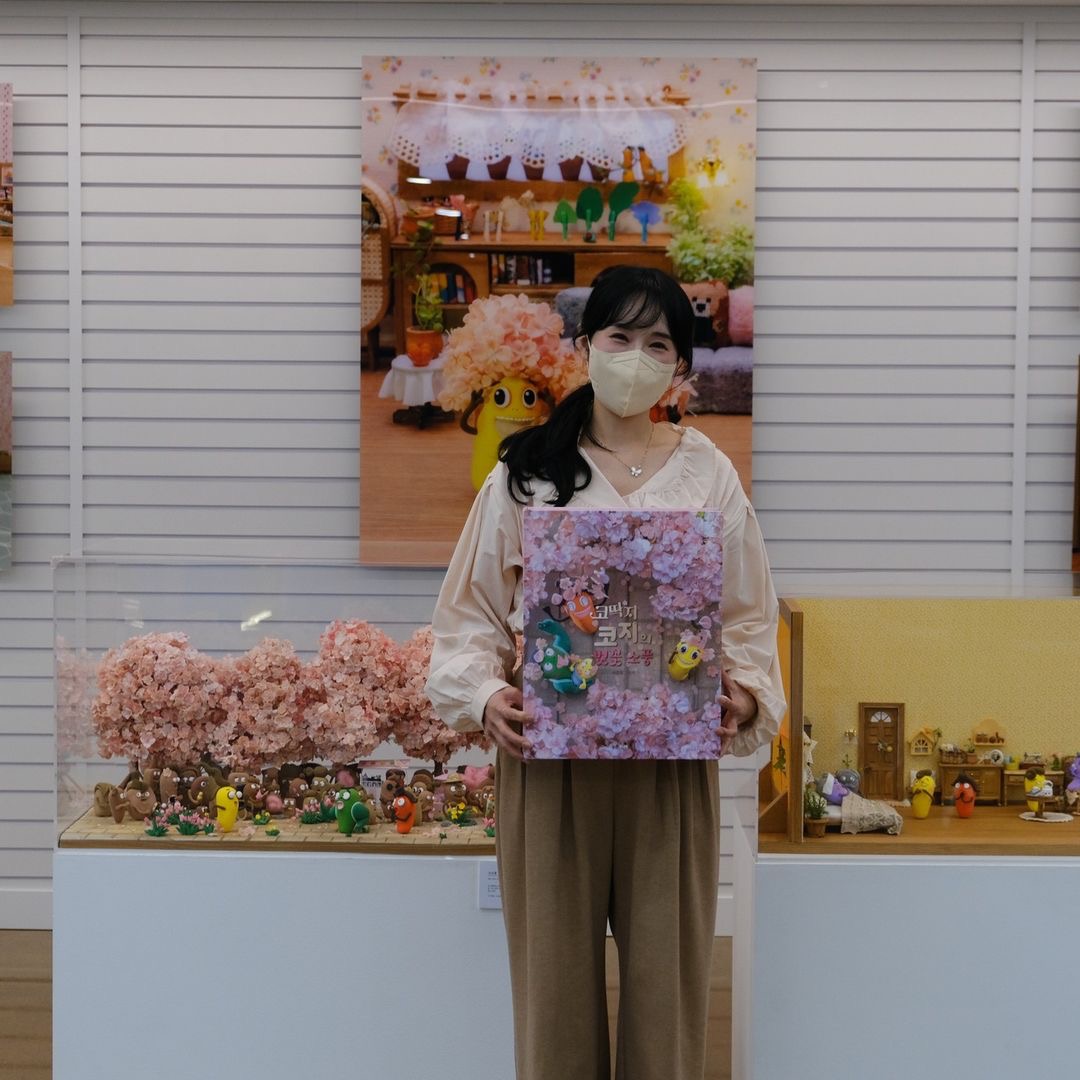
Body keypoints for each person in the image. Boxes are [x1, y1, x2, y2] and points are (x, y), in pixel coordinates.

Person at [426, 265, 785, 1080]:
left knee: (669, 1001)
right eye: (620, 337)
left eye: (658, 344)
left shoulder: (708, 474)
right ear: (586, 346)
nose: (636, 358)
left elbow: (748, 616)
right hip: (549, 765)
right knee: (553, 1001)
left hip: (669, 768)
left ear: (680, 366)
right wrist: (485, 695)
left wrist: (742, 694)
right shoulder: (528, 473)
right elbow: (467, 615)